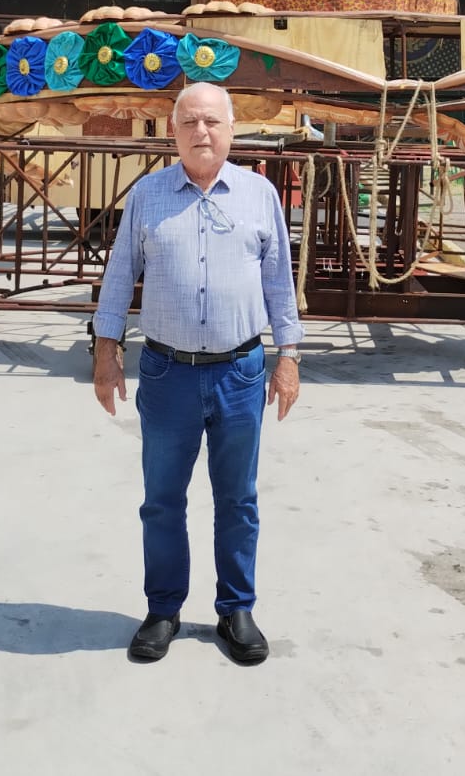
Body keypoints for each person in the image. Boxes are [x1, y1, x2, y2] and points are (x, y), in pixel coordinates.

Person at [91, 82, 303, 665]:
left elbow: (279, 283)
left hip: (240, 372)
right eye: (189, 122)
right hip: (167, 374)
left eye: (212, 121)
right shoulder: (148, 196)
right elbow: (118, 275)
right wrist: (105, 349)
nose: (201, 132)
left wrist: (288, 356)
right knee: (162, 500)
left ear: (232, 129)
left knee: (238, 499)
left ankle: (236, 610)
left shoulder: (260, 195)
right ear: (173, 132)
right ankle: (163, 610)